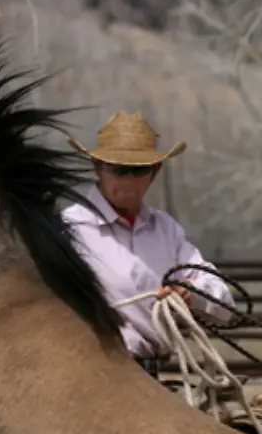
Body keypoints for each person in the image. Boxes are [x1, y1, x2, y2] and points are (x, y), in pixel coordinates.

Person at [62, 111, 235, 374]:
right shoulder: (69, 230)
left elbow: (224, 303)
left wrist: (191, 293)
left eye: (138, 170)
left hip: (150, 374)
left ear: (155, 171)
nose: (128, 180)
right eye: (118, 169)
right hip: (91, 372)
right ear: (97, 167)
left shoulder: (165, 229)